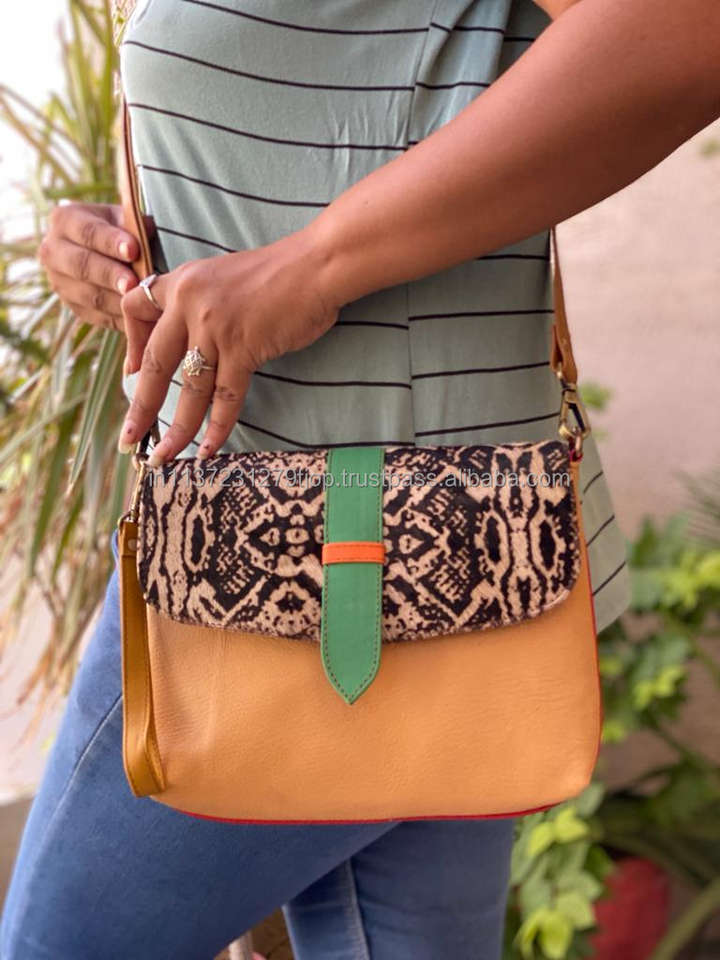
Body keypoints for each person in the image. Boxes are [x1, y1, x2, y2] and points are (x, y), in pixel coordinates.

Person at [2, 0, 719, 957]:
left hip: (271, 557)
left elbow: (686, 30)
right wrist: (126, 239)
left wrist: (313, 267)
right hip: (457, 556)